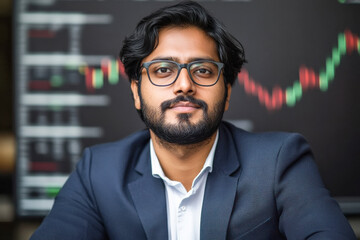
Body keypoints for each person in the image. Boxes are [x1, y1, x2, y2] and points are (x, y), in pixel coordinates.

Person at [31, 1, 356, 239]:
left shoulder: (280, 161)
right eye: (162, 70)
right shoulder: (97, 172)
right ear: (135, 91)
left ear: (227, 91)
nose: (184, 84)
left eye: (202, 70)